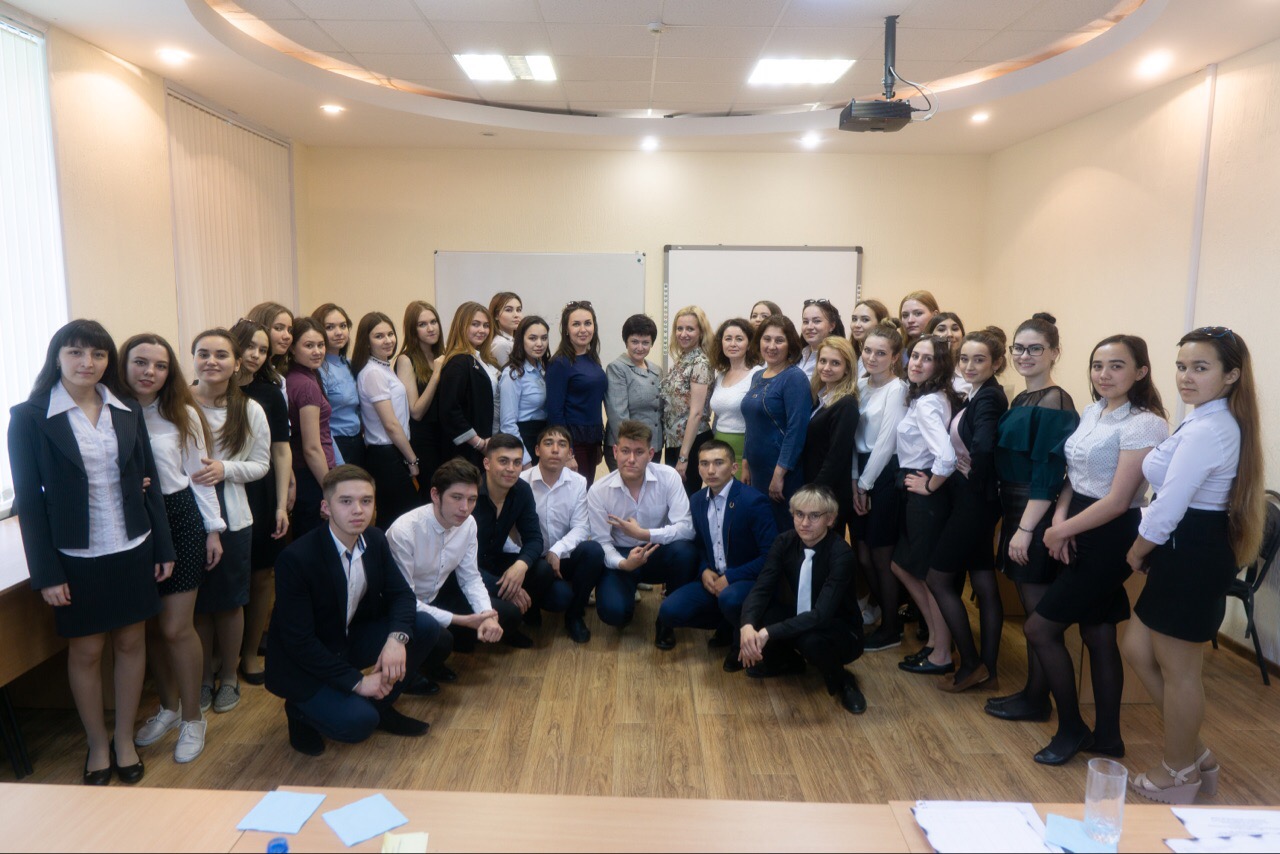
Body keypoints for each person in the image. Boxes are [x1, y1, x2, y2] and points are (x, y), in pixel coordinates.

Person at [9, 320, 176, 785]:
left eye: (98, 354)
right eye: (76, 352)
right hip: (75, 555)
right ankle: (97, 743)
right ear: (57, 357)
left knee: (131, 644)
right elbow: (28, 500)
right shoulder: (29, 416)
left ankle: (124, 739)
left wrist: (162, 546)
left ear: (108, 360)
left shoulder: (125, 408)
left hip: (133, 546)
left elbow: (149, 483)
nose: (88, 363)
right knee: (86, 651)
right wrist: (46, 573)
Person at [1123, 327, 1265, 803]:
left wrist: (1138, 549)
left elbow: (1170, 503)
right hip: (1184, 546)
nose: (1186, 376)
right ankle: (1196, 753)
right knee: (1137, 646)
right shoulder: (1204, 418)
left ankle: (1178, 771)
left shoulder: (1210, 429)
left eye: (1200, 368)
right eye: (1182, 366)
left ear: (1231, 375)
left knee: (1181, 670)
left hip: (1191, 550)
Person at [1025, 335, 1169, 766]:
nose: (1104, 375)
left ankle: (1071, 727)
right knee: (1098, 631)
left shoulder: (1145, 423)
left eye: (1117, 366)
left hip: (1110, 534)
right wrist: (1059, 521)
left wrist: (1060, 531)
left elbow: (1119, 500)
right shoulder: (1093, 411)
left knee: (1039, 629)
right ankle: (1107, 737)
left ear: (1140, 372)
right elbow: (1073, 475)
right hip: (1077, 521)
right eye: (1097, 366)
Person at [266, 465, 434, 756]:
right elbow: (299, 642)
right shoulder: (296, 558)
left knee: (424, 626)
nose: (358, 510)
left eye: (366, 501)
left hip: (344, 641)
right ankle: (299, 711)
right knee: (358, 724)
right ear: (325, 507)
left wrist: (396, 639)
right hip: (303, 660)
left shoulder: (375, 539)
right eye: (346, 501)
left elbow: (402, 595)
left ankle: (382, 705)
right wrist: (359, 682)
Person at [121, 333, 225, 764]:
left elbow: (199, 476)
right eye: (140, 362)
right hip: (130, 523)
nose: (150, 372)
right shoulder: (111, 411)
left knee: (176, 628)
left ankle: (192, 718)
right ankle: (168, 707)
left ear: (170, 372)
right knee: (147, 629)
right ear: (124, 365)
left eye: (160, 365)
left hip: (180, 517)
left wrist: (213, 530)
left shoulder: (183, 413)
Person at [985, 313, 1079, 723]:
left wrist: (1024, 530)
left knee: (1039, 618)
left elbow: (1047, 473)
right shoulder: (1024, 398)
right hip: (1016, 507)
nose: (1024, 355)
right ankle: (1033, 693)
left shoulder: (1055, 401)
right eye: (1018, 348)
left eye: (1035, 348)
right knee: (1030, 609)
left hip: (1033, 512)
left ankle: (1040, 700)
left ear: (1055, 352)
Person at [190, 329, 270, 716]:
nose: (211, 361)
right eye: (203, 354)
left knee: (228, 601)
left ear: (237, 364)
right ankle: (203, 677)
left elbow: (261, 464)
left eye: (221, 355)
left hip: (232, 513)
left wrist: (225, 469)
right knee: (196, 605)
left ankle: (229, 677)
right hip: (184, 513)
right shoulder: (177, 404)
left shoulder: (249, 409)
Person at [732, 485, 866, 716]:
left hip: (839, 628)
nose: (804, 523)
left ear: (830, 519)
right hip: (800, 617)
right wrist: (747, 626)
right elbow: (762, 588)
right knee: (754, 614)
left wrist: (768, 633)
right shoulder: (784, 542)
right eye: (799, 514)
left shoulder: (841, 554)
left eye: (814, 516)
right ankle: (787, 663)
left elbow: (821, 615)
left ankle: (843, 679)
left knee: (810, 641)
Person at [925, 328, 1009, 693]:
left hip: (975, 501)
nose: (970, 366)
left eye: (979, 360)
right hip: (979, 501)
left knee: (938, 579)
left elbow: (985, 447)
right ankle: (988, 669)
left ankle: (971, 663)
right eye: (964, 359)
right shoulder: (979, 393)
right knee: (984, 580)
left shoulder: (988, 397)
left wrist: (971, 479)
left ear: (997, 363)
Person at [656, 439, 777, 665]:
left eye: (718, 463)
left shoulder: (753, 501)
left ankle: (739, 642)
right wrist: (703, 570)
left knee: (730, 598)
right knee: (669, 611)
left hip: (747, 580)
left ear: (734, 467)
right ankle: (726, 624)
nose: (711, 470)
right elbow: (699, 545)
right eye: (704, 464)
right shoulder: (697, 500)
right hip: (714, 579)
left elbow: (771, 556)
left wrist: (730, 577)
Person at [386, 460, 509, 669]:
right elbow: (404, 600)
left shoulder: (468, 523)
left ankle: (441, 649)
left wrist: (485, 614)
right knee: (442, 640)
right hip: (403, 608)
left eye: (472, 499)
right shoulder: (404, 532)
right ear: (435, 495)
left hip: (437, 596)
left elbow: (470, 577)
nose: (465, 508)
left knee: (506, 616)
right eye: (456, 497)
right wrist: (461, 620)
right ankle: (416, 671)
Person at [892, 335, 963, 677]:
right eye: (915, 356)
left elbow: (946, 457)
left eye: (927, 358)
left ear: (940, 365)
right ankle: (936, 641)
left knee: (927, 575)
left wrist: (930, 485)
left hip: (926, 494)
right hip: (918, 491)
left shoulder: (929, 403)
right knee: (903, 566)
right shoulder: (930, 396)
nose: (917, 363)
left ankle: (941, 653)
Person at [587, 420, 699, 638]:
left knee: (686, 552)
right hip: (621, 554)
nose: (631, 459)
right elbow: (602, 542)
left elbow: (687, 528)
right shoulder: (599, 491)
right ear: (615, 452)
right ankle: (627, 596)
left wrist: (644, 534)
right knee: (613, 613)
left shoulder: (669, 477)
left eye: (639, 452)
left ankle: (668, 618)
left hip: (656, 550)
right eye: (625, 451)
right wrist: (624, 564)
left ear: (650, 454)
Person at [228, 319, 291, 689]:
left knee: (262, 573)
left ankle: (250, 653)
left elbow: (281, 451)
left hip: (262, 489)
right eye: (249, 346)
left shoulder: (269, 392)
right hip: (220, 490)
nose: (255, 355)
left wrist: (281, 505)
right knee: (226, 573)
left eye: (263, 349)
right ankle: (222, 657)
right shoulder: (207, 389)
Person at [472, 433, 564, 647]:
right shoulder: (471, 494)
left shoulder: (521, 490)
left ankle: (520, 613)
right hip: (468, 573)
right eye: (503, 461)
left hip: (495, 562)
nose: (511, 468)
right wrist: (505, 589)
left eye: (516, 462)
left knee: (542, 570)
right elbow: (458, 563)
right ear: (487, 463)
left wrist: (520, 566)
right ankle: (510, 619)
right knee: (509, 613)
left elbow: (534, 539)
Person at [520, 425, 608, 644]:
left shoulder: (578, 482)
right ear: (537, 450)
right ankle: (531, 605)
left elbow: (582, 527)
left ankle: (574, 615)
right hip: (531, 560)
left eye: (562, 445)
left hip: (562, 556)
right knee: (556, 597)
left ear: (570, 453)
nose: (555, 450)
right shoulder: (522, 481)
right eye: (548, 443)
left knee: (593, 551)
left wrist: (557, 550)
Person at [854, 321, 909, 652]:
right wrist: (854, 479)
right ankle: (886, 617)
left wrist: (864, 484)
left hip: (884, 473)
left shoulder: (897, 389)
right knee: (862, 554)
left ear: (895, 357)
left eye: (880, 353)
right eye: (867, 351)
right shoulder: (860, 385)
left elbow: (887, 441)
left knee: (881, 554)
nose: (872, 358)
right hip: (860, 471)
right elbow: (850, 435)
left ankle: (891, 627)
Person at [741, 315, 811, 531]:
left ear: (790, 344)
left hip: (781, 473)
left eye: (779, 340)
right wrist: (745, 462)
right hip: (756, 471)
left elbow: (796, 431)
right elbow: (751, 424)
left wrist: (779, 474)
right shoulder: (758, 376)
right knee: (760, 530)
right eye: (767, 339)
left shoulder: (795, 378)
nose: (771, 346)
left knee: (782, 532)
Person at [352, 311, 419, 528]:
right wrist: (412, 460)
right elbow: (390, 424)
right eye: (379, 336)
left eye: (390, 334)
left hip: (393, 452)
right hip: (386, 455)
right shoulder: (373, 373)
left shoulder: (384, 367)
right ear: (366, 342)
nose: (388, 340)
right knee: (399, 521)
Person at [802, 336, 860, 537]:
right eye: (823, 361)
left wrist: (814, 492)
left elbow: (836, 456)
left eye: (835, 363)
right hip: (814, 483)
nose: (826, 367)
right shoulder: (820, 397)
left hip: (828, 493)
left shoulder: (846, 404)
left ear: (847, 369)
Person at [547, 300, 608, 485]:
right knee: (577, 495)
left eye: (587, 323)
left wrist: (598, 444)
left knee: (587, 491)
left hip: (592, 441)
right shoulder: (560, 363)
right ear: (566, 329)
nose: (583, 329)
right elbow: (555, 412)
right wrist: (567, 452)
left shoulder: (592, 358)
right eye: (576, 324)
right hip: (573, 443)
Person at [285, 316, 336, 536]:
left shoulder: (298, 376)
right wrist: (330, 490)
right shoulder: (306, 385)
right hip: (312, 476)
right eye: (309, 346)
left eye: (321, 345)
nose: (317, 351)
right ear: (292, 348)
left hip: (304, 474)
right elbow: (312, 447)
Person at [437, 301, 499, 469]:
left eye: (486, 325)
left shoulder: (482, 359)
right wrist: (478, 443)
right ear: (461, 325)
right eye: (475, 324)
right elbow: (449, 410)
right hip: (467, 451)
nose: (482, 330)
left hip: (486, 444)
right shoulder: (458, 362)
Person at [661, 305, 715, 495]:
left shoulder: (700, 362)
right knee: (675, 499)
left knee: (686, 500)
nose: (683, 334)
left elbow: (696, 412)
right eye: (680, 328)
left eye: (690, 329)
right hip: (675, 442)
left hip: (691, 443)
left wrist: (683, 458)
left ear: (701, 332)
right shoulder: (683, 359)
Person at [394, 300, 444, 498]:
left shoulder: (442, 354)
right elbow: (416, 411)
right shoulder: (406, 360)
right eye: (422, 324)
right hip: (424, 441)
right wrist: (437, 374)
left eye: (433, 322)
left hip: (445, 437)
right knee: (431, 496)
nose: (431, 328)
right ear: (412, 330)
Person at [603, 313, 663, 472]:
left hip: (653, 448)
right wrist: (633, 449)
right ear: (626, 341)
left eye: (645, 342)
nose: (640, 347)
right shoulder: (617, 368)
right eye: (635, 342)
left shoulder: (656, 370)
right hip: (627, 450)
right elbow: (618, 415)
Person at [312, 303, 363, 469]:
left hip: (358, 442)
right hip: (335, 444)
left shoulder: (349, 364)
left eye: (343, 326)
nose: (339, 332)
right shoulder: (319, 369)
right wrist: (338, 461)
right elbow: (321, 424)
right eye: (330, 327)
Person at [707, 317, 763, 464]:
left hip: (745, 449)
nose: (733, 344)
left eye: (739, 339)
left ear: (749, 344)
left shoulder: (758, 374)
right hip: (719, 445)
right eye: (728, 339)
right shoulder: (721, 375)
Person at [498, 316, 549, 465]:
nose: (539, 344)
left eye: (544, 338)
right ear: (521, 340)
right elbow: (508, 424)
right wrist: (524, 459)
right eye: (532, 338)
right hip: (523, 439)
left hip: (542, 437)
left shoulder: (542, 369)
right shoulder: (513, 374)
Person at [245, 302, 294, 389]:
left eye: (289, 330)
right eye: (278, 328)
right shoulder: (246, 377)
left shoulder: (278, 374)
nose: (287, 336)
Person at [797, 299, 845, 380]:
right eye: (805, 322)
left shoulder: (838, 357)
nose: (809, 327)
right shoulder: (799, 354)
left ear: (832, 326)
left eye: (817, 321)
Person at [926, 312, 969, 398]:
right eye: (941, 330)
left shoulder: (970, 372)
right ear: (930, 336)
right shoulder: (923, 369)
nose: (949, 334)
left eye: (955, 329)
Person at [848, 299, 889, 377]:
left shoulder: (884, 361)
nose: (857, 325)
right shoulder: (853, 355)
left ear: (880, 323)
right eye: (854, 319)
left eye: (865, 320)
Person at [898, 290, 939, 361]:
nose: (910, 320)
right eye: (905, 315)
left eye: (918, 313)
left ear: (935, 315)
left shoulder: (947, 350)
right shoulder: (896, 354)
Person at [488, 291, 523, 368]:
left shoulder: (515, 339)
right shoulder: (501, 344)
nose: (516, 315)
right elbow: (506, 374)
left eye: (519, 310)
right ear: (496, 315)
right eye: (508, 310)